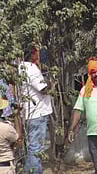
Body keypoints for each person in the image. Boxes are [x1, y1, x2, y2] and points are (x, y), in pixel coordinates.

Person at [19, 44, 52, 174]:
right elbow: (43, 89)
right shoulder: (31, 68)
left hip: (29, 113)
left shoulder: (20, 67)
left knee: (32, 148)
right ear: (33, 53)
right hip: (37, 113)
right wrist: (52, 83)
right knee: (36, 149)